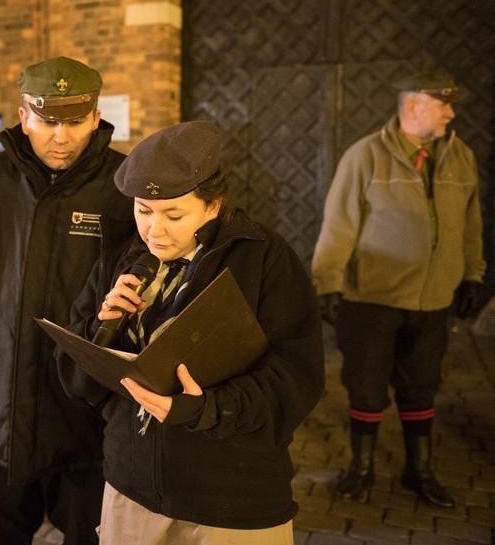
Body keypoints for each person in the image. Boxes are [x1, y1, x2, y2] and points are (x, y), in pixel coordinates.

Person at [56, 121, 324, 544]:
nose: (154, 230)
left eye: (174, 215)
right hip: (132, 489)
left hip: (231, 499)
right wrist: (101, 329)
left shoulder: (263, 259)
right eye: (143, 211)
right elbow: (76, 381)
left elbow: (296, 380)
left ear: (214, 205)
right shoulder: (125, 257)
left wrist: (206, 409)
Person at [0, 56, 134, 544]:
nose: (61, 137)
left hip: (88, 420)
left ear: (95, 116)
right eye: (47, 121)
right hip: (0, 413)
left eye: (75, 122)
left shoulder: (124, 188)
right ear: (24, 116)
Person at [311, 71, 486, 508]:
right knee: (366, 387)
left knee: (421, 385)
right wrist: (328, 282)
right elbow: (339, 224)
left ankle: (419, 469)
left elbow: (470, 225)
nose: (451, 112)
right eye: (441, 103)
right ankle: (362, 467)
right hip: (372, 299)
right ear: (412, 108)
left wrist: (472, 275)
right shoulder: (365, 156)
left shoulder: (460, 156)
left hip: (432, 301)